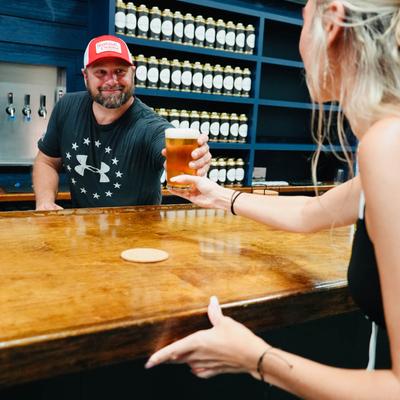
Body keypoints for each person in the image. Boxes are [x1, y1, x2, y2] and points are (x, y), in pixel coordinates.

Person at [145, 1, 400, 398]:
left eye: (302, 20)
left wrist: (255, 358)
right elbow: (308, 212)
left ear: (331, 23)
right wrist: (219, 196)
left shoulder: (388, 145)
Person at [32, 35, 210, 210]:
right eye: (101, 72)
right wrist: (45, 202)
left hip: (138, 235)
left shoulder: (150, 127)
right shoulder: (66, 107)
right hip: (82, 233)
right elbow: (46, 161)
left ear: (133, 72)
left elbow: (169, 152)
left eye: (120, 71)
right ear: (85, 76)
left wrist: (195, 163)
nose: (111, 81)